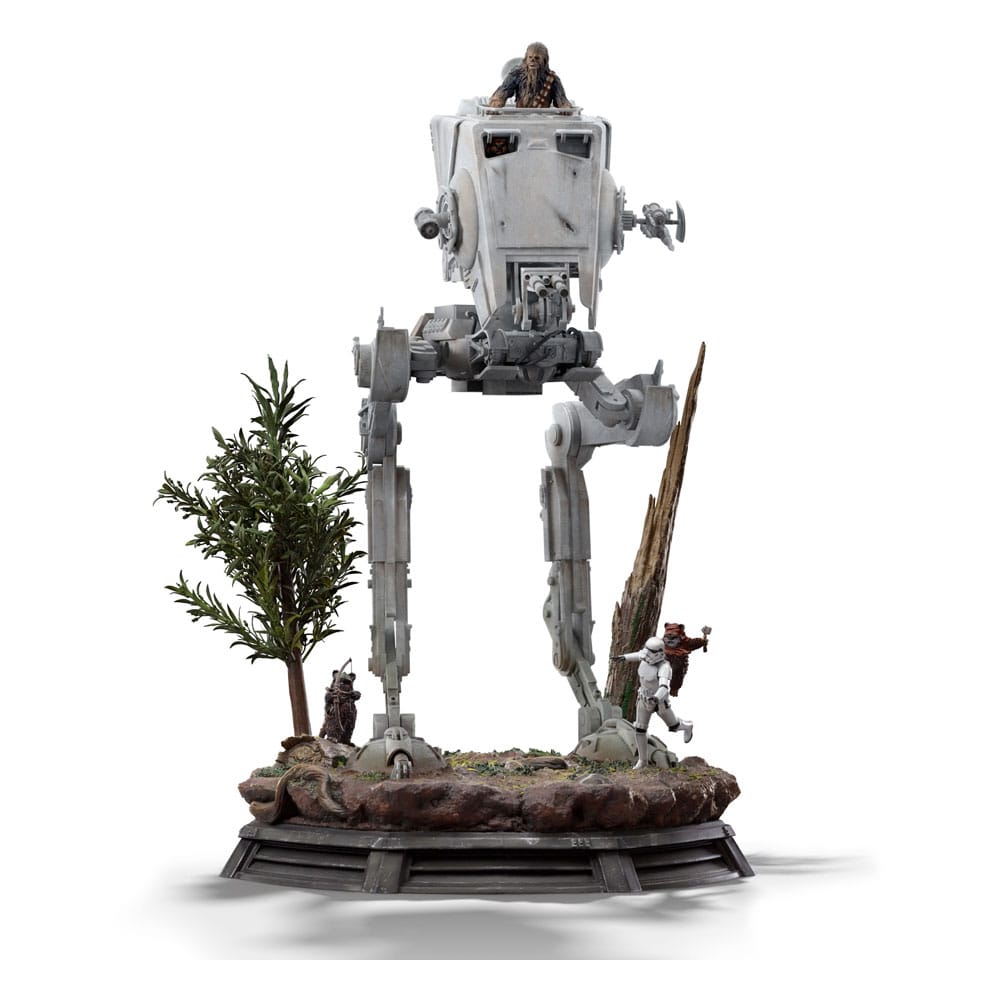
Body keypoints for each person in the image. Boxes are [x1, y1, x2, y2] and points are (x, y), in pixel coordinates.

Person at [614, 636, 693, 769]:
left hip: (659, 701)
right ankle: (643, 760)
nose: (646, 654)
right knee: (640, 729)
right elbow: (638, 655)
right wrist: (624, 657)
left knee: (673, 725)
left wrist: (656, 698)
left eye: (650, 651)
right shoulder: (645, 657)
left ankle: (687, 726)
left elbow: (663, 687)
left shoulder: (664, 667)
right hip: (644, 698)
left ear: (659, 653)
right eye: (647, 649)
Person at [488, 42, 572, 110]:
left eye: (537, 58)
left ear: (544, 61)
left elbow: (561, 99)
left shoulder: (553, 79)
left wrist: (565, 106)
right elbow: (504, 89)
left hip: (543, 118)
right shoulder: (516, 74)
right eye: (530, 57)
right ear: (526, 59)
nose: (532, 60)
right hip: (520, 117)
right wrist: (497, 100)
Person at [661, 622, 710, 696]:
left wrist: (702, 641)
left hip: (678, 661)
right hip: (665, 660)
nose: (670, 640)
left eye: (673, 638)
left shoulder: (685, 642)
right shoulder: (661, 644)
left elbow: (693, 643)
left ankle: (674, 689)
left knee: (678, 671)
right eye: (668, 638)